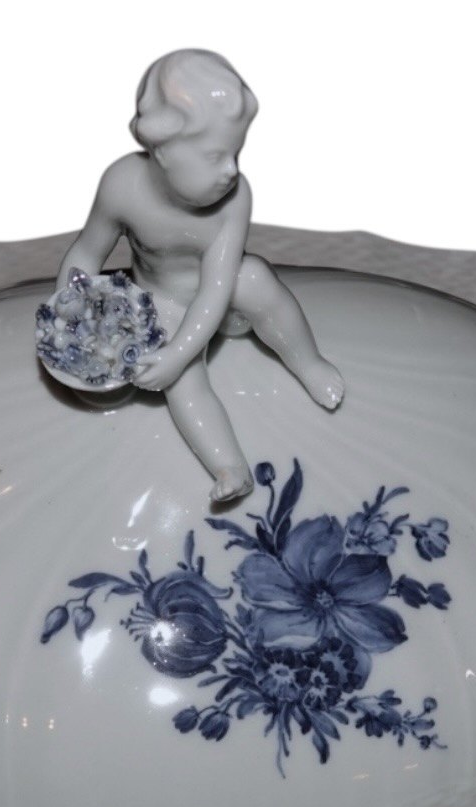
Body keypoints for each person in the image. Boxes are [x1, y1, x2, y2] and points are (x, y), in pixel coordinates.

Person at [57, 48, 344, 502]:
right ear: (163, 151)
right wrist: (70, 304)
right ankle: (230, 467)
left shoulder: (234, 200)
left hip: (223, 301)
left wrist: (178, 352)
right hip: (161, 301)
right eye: (215, 156)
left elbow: (217, 288)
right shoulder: (121, 185)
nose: (231, 170)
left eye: (236, 153)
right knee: (183, 381)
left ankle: (307, 361)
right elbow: (86, 251)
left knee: (256, 279)